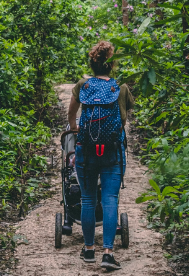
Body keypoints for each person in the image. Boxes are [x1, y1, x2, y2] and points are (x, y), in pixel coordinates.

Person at [67, 40, 134, 270]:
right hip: (112, 151)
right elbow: (124, 118)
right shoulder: (121, 88)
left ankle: (88, 250)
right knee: (109, 200)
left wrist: (74, 127)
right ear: (111, 65)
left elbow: (71, 113)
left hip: (86, 149)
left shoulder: (82, 85)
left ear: (92, 64)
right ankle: (107, 253)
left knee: (87, 200)